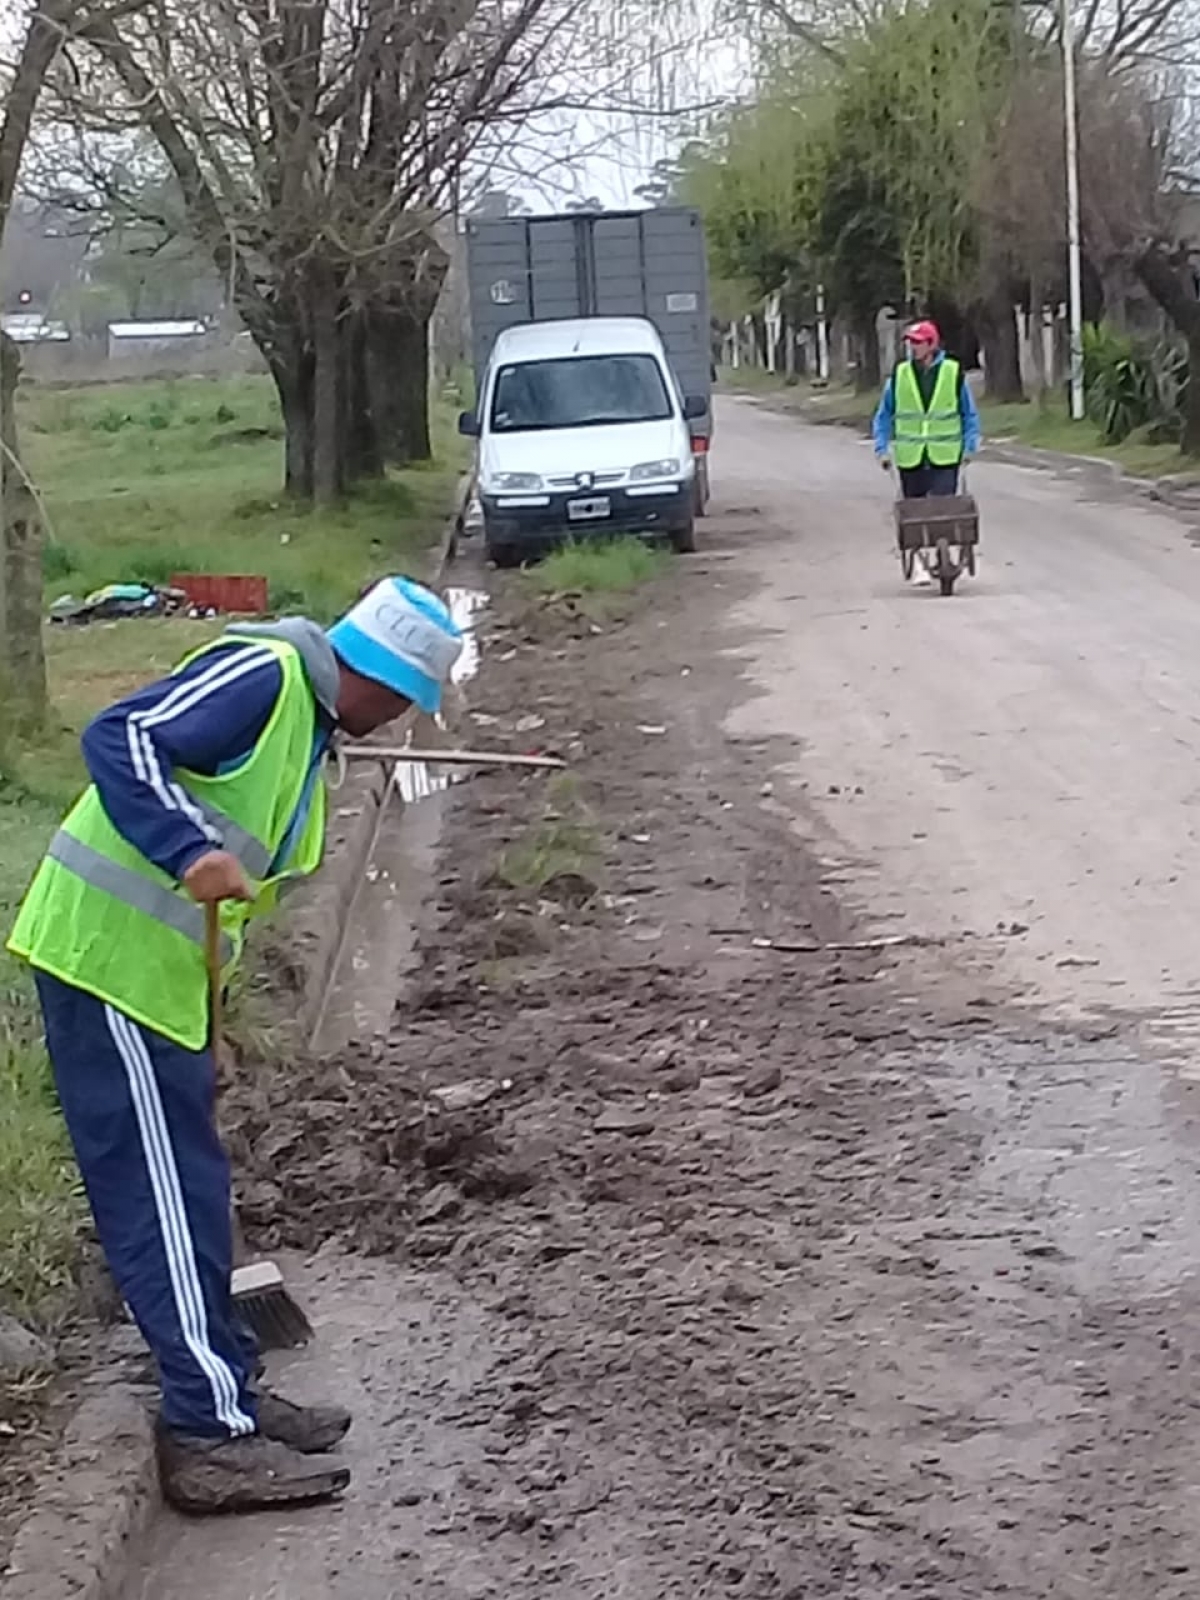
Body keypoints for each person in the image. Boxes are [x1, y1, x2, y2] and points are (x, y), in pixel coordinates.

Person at [7, 577, 463, 1515]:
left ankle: (231, 1394)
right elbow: (120, 737)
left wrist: (210, 1028)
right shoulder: (267, 675)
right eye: (408, 702)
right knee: (162, 1201)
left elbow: (229, 911)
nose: (402, 721)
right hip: (106, 968)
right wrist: (183, 846)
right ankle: (208, 1435)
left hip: (163, 987)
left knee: (196, 1189)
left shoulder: (313, 736)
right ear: (377, 676)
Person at [873, 319, 981, 497]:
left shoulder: (952, 372)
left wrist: (970, 446)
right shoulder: (900, 374)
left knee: (942, 512)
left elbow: (969, 413)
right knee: (914, 515)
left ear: (932, 344)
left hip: (945, 459)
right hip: (911, 460)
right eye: (911, 342)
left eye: (918, 342)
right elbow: (883, 415)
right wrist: (881, 449)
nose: (913, 347)